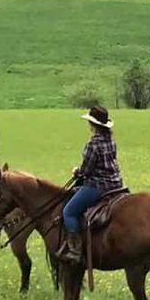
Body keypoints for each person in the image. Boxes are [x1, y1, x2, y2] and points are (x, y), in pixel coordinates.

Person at [56, 105, 124, 261]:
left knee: (69, 212)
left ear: (93, 125)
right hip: (116, 184)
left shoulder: (93, 144)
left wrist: (76, 171)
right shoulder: (111, 141)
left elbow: (86, 170)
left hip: (98, 186)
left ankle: (75, 250)